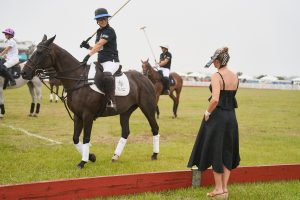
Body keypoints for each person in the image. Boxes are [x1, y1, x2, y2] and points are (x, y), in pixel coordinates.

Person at [187, 47, 240, 198]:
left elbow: (215, 99)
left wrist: (207, 112)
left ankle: (218, 189)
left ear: (219, 61)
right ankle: (224, 189)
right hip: (232, 117)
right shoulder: (235, 76)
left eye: (215, 61)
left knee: (217, 150)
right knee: (227, 151)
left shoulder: (216, 76)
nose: (214, 64)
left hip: (218, 117)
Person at [81, 8, 119, 111]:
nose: (102, 21)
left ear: (107, 19)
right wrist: (88, 46)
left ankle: (111, 101)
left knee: (107, 76)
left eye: (104, 18)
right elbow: (99, 48)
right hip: (100, 61)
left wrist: (88, 55)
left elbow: (99, 44)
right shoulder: (99, 32)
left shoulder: (110, 31)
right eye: (100, 19)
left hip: (111, 61)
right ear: (97, 21)